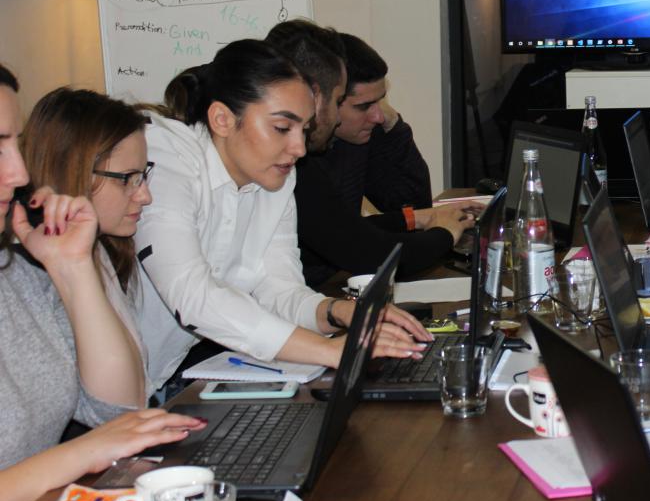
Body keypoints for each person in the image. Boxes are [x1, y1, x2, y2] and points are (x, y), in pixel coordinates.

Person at [134, 39, 431, 381]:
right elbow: (194, 296)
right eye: (281, 128)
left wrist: (341, 312)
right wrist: (332, 351)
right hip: (96, 395)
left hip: (157, 376)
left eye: (303, 130)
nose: (299, 148)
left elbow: (278, 288)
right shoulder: (165, 156)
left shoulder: (274, 177)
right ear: (222, 119)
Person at [0, 65, 203, 501]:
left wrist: (74, 269)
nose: (18, 173)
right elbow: (105, 434)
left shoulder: (25, 270)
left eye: (15, 145)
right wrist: (80, 454)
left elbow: (118, 409)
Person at [265, 21, 473, 285]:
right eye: (358, 105)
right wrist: (443, 234)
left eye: (381, 101)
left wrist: (415, 218)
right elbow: (360, 247)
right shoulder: (293, 160)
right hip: (309, 293)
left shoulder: (355, 139)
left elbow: (347, 228)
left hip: (317, 292)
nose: (377, 115)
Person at [21, 87, 168, 399]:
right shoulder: (34, 278)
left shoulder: (102, 249)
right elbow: (118, 407)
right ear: (72, 170)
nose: (145, 195)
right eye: (127, 178)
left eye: (143, 175)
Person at [319, 32, 433, 217]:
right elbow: (337, 232)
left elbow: (415, 208)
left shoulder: (362, 134)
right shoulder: (299, 157)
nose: (378, 117)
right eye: (364, 106)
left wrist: (395, 128)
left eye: (380, 101)